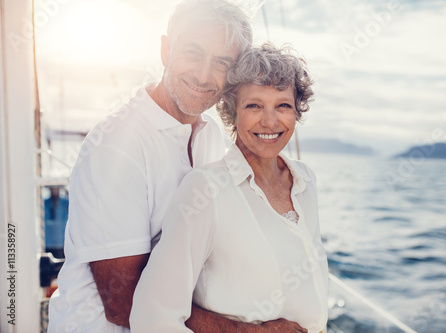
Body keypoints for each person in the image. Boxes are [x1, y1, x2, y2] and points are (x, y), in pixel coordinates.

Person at [48, 0, 308, 331]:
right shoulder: (117, 146)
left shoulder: (210, 135)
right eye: (193, 53)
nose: (203, 74)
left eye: (221, 62)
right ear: (166, 50)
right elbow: (123, 304)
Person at [130, 43, 329, 333]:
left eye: (283, 105)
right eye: (254, 106)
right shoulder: (206, 189)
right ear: (231, 113)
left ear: (297, 111)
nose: (270, 121)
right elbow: (152, 317)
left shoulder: (305, 180)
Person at [44, 186, 69, 259]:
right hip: (48, 243)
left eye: (56, 188)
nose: (54, 190)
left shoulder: (66, 202)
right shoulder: (44, 203)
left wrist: (67, 192)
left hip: (62, 243)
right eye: (52, 188)